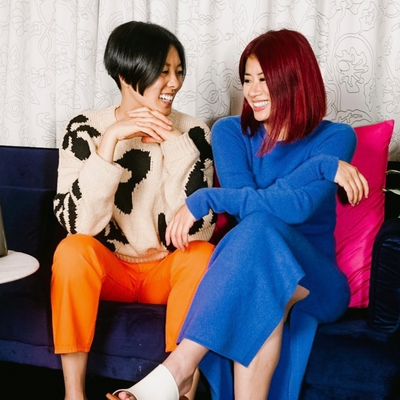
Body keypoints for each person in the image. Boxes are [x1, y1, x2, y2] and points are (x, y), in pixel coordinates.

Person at [106, 28, 370, 400]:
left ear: (296, 80)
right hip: (259, 266)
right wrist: (321, 169)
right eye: (247, 79)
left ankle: (179, 369)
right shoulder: (230, 131)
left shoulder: (336, 137)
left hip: (317, 281)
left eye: (265, 79)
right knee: (262, 278)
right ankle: (180, 373)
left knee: (261, 233)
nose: (253, 91)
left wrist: (208, 198)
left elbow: (297, 208)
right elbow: (250, 214)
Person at [51, 20, 216, 400]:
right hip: (111, 268)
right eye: (162, 72)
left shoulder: (193, 132)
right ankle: (74, 394)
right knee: (72, 250)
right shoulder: (84, 128)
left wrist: (176, 146)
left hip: (166, 269)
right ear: (126, 75)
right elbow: (79, 225)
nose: (174, 83)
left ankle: (178, 391)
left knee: (202, 255)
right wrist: (110, 141)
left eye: (178, 71)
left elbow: (199, 228)